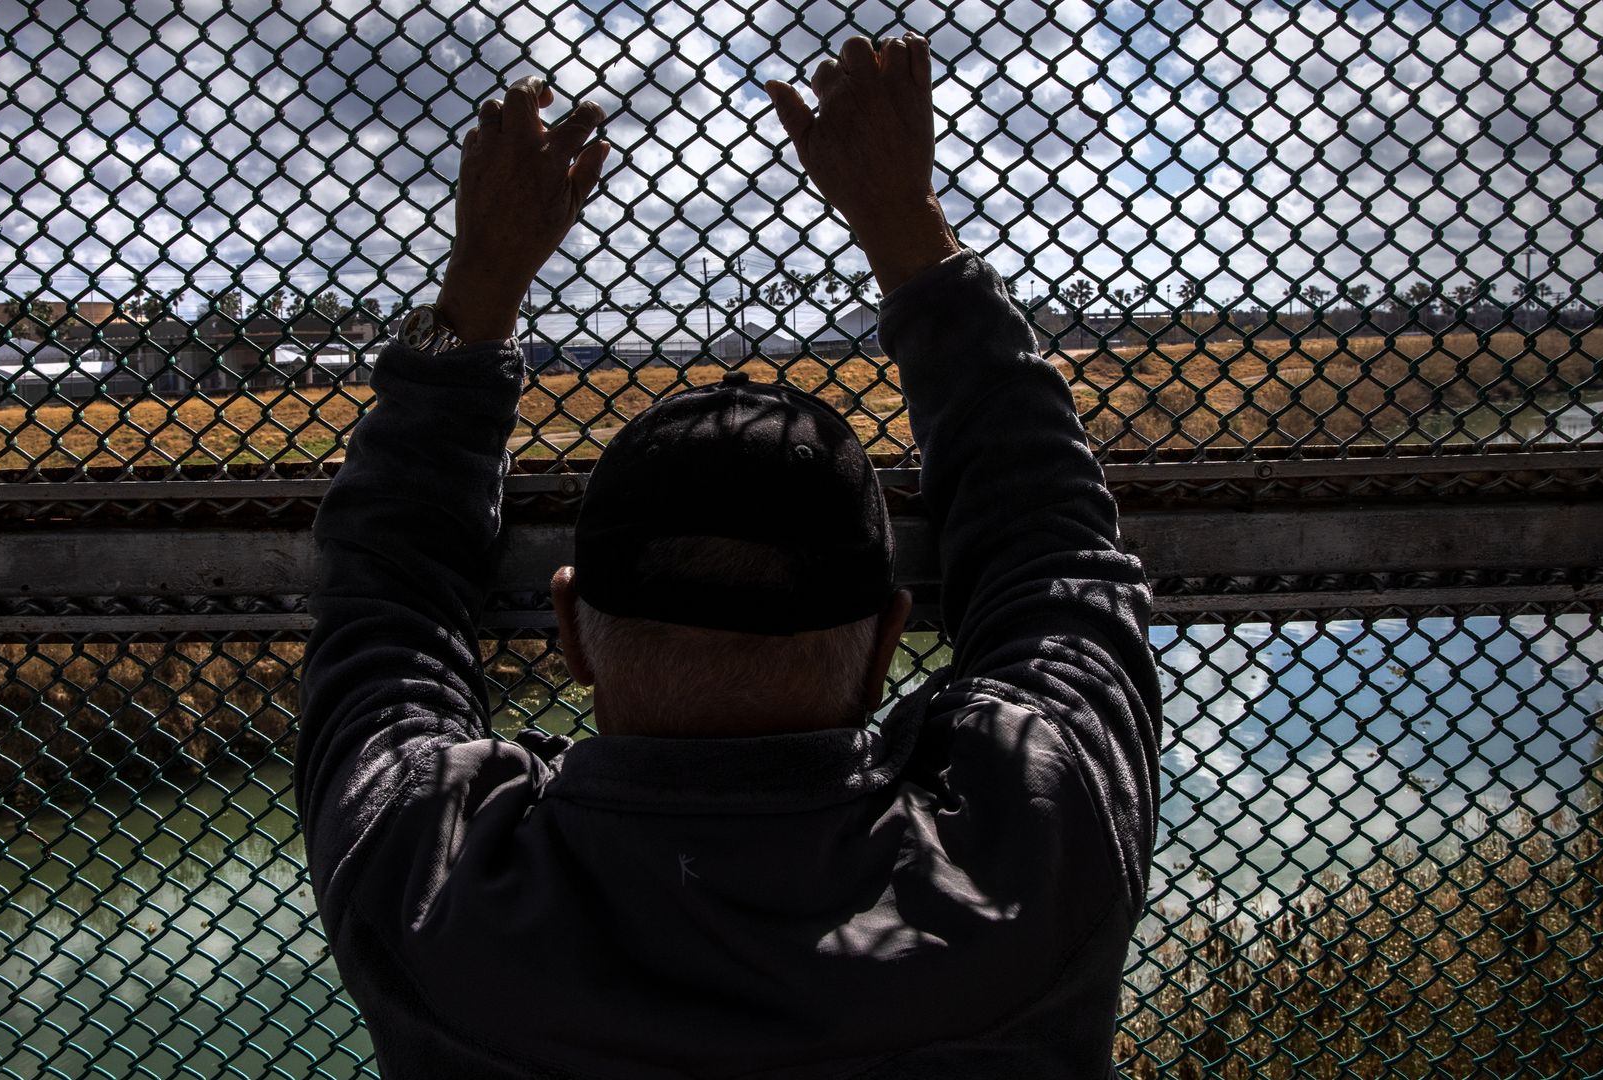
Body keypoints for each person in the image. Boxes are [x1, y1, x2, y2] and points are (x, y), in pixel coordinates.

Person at [297, 32, 1162, 1079]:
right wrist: (905, 227)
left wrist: (476, 291)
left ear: (569, 627)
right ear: (891, 638)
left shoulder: (427, 877)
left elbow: (384, 603)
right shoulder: (1035, 843)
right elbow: (1052, 549)